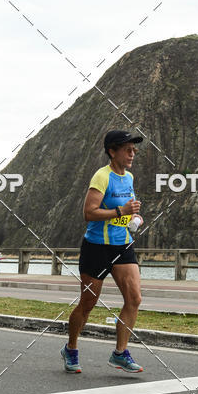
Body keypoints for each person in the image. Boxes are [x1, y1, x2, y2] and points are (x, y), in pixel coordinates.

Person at [62, 130, 145, 374]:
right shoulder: (102, 176)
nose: (132, 154)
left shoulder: (129, 177)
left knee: (134, 299)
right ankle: (71, 348)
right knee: (88, 303)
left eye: (134, 150)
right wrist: (121, 211)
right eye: (127, 149)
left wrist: (135, 217)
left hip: (123, 244)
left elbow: (128, 209)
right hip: (97, 247)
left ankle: (120, 353)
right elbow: (89, 213)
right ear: (112, 151)